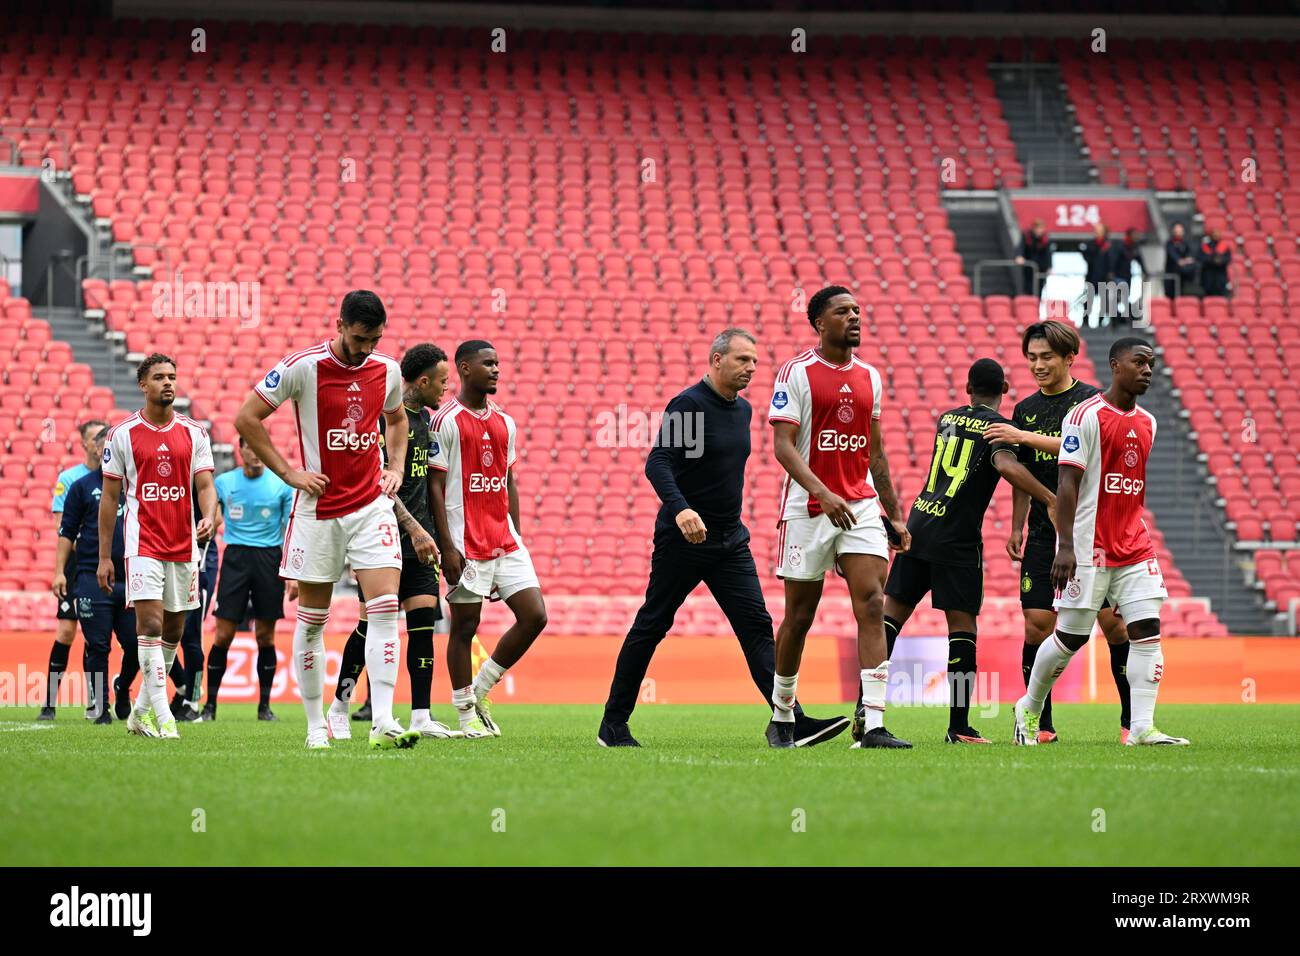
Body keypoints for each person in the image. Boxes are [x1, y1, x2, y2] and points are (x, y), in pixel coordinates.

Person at [598, 329, 849, 748]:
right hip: (685, 541)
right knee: (653, 624)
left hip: (730, 542)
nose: (751, 367)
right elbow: (658, 462)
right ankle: (613, 724)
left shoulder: (745, 410)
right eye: (742, 360)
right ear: (716, 360)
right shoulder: (690, 405)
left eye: (754, 361)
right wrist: (681, 509)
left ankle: (788, 720)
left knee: (756, 626)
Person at [233, 290, 417, 751]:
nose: (366, 349)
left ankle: (382, 722)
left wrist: (394, 467)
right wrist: (291, 473)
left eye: (374, 339)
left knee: (383, 610)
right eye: (359, 338)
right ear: (339, 325)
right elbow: (247, 417)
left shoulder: (387, 370)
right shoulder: (302, 367)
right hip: (318, 511)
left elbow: (397, 421)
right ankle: (316, 725)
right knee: (312, 621)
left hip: (371, 506)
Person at [1014, 338, 1189, 747]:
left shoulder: (1149, 422)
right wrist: (1066, 546)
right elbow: (1068, 483)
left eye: (1151, 363)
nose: (1147, 369)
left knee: (1145, 631)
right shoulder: (1084, 415)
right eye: (1139, 362)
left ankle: (1142, 727)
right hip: (1089, 545)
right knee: (1069, 639)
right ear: (1115, 365)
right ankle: (1029, 705)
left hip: (1134, 545)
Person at [880, 360, 1057, 744]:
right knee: (962, 629)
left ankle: (868, 712)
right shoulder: (999, 430)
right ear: (1005, 389)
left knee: (890, 620)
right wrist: (1048, 497)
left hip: (918, 525)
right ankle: (958, 727)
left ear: (967, 388)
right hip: (956, 540)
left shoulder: (947, 417)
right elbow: (1006, 465)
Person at [768, 286, 912, 750]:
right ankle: (782, 712)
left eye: (857, 310)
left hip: (861, 505)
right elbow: (783, 446)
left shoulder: (870, 376)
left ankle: (872, 724)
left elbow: (875, 451)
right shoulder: (796, 373)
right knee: (799, 616)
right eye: (842, 311)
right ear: (818, 323)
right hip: (808, 509)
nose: (854, 317)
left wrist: (894, 514)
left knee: (872, 603)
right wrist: (821, 492)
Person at [985, 320, 1133, 743]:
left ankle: (1129, 721)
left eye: (1046, 357)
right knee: (1036, 625)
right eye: (1031, 358)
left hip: (1090, 532)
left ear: (1070, 357)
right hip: (1043, 530)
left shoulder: (1091, 402)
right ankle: (1040, 721)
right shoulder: (1026, 408)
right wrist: (1016, 525)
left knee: (1114, 627)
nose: (1037, 365)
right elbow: (1021, 469)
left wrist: (1022, 435)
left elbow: (1086, 450)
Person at [327, 343, 464, 740]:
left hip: (422, 543)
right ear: (422, 381)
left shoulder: (428, 422)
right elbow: (377, 485)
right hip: (380, 536)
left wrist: (436, 536)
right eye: (441, 382)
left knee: (422, 623)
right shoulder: (383, 422)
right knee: (370, 625)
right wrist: (415, 530)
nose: (445, 389)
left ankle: (421, 715)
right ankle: (340, 703)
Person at [430, 341, 548, 738]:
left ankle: (480, 689)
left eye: (498, 363)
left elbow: (508, 479)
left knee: (535, 616)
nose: (496, 369)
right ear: (464, 368)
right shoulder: (445, 421)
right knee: (465, 626)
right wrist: (446, 546)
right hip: (464, 542)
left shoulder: (505, 422)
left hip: (505, 539)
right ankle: (465, 714)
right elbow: (435, 484)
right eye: (488, 363)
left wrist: (516, 529)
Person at [98, 354, 218, 739]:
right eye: (159, 377)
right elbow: (109, 498)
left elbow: (205, 486)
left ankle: (139, 713)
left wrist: (209, 516)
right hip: (143, 542)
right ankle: (165, 716)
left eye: (172, 376)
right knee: (148, 624)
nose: (168, 383)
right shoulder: (123, 434)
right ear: (143, 385)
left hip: (184, 545)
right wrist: (105, 556)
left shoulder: (195, 433)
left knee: (174, 630)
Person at [202, 436, 296, 722]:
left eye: (260, 449)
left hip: (269, 559)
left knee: (265, 636)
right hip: (235, 559)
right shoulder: (224, 483)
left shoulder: (280, 485)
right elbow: (213, 515)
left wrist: (292, 572)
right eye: (250, 448)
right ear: (240, 450)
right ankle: (210, 706)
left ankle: (264, 707)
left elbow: (291, 528)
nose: (255, 454)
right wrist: (208, 523)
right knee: (223, 635)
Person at [54, 425, 136, 724]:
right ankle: (101, 708)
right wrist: (59, 571)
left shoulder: (134, 487)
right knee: (98, 645)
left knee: (138, 645)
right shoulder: (81, 487)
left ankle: (123, 687)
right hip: (91, 575)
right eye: (106, 447)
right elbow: (66, 532)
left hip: (131, 577)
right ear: (99, 450)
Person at [40, 419, 108, 720]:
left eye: (102, 438)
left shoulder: (115, 478)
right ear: (84, 443)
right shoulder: (69, 479)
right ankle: (49, 703)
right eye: (94, 438)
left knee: (97, 636)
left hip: (104, 563)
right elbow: (62, 526)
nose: (99, 443)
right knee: (67, 631)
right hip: (78, 564)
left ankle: (96, 701)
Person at [170, 498, 219, 722]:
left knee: (191, 636)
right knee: (163, 633)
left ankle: (193, 702)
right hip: (173, 562)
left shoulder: (200, 483)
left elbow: (215, 518)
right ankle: (182, 688)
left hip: (199, 568)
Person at [1080, 223, 1116, 325]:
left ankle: (1101, 320)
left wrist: (1110, 272)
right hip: (1091, 275)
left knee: (1104, 299)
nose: (1097, 231)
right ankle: (1085, 320)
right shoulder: (1090, 244)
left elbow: (1111, 260)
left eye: (1100, 230)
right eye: (1096, 229)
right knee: (1088, 298)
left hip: (1104, 277)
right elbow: (1087, 257)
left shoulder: (1109, 245)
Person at [1014, 219, 1053, 298]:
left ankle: (1036, 306)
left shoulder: (1045, 239)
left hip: (1041, 268)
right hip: (1029, 268)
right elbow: (1020, 247)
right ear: (1034, 229)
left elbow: (1048, 254)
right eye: (1038, 228)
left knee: (1039, 290)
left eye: (1041, 228)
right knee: (1028, 288)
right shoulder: (1027, 237)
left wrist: (1049, 266)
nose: (1040, 231)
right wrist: (1019, 256)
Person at [1163, 222, 1197, 298]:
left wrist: (1185, 261)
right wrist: (1182, 261)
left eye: (1180, 231)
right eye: (1176, 231)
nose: (1178, 233)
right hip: (1171, 275)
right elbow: (1175, 257)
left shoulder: (1185, 243)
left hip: (1183, 276)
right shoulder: (1169, 243)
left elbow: (1190, 256)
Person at [1198, 227, 1232, 297]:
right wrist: (1212, 260)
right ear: (1211, 235)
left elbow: (1228, 258)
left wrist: (1221, 261)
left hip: (1220, 276)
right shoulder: (1205, 246)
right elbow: (1201, 258)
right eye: (1214, 234)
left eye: (1217, 234)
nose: (1216, 236)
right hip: (1208, 276)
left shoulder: (1224, 247)